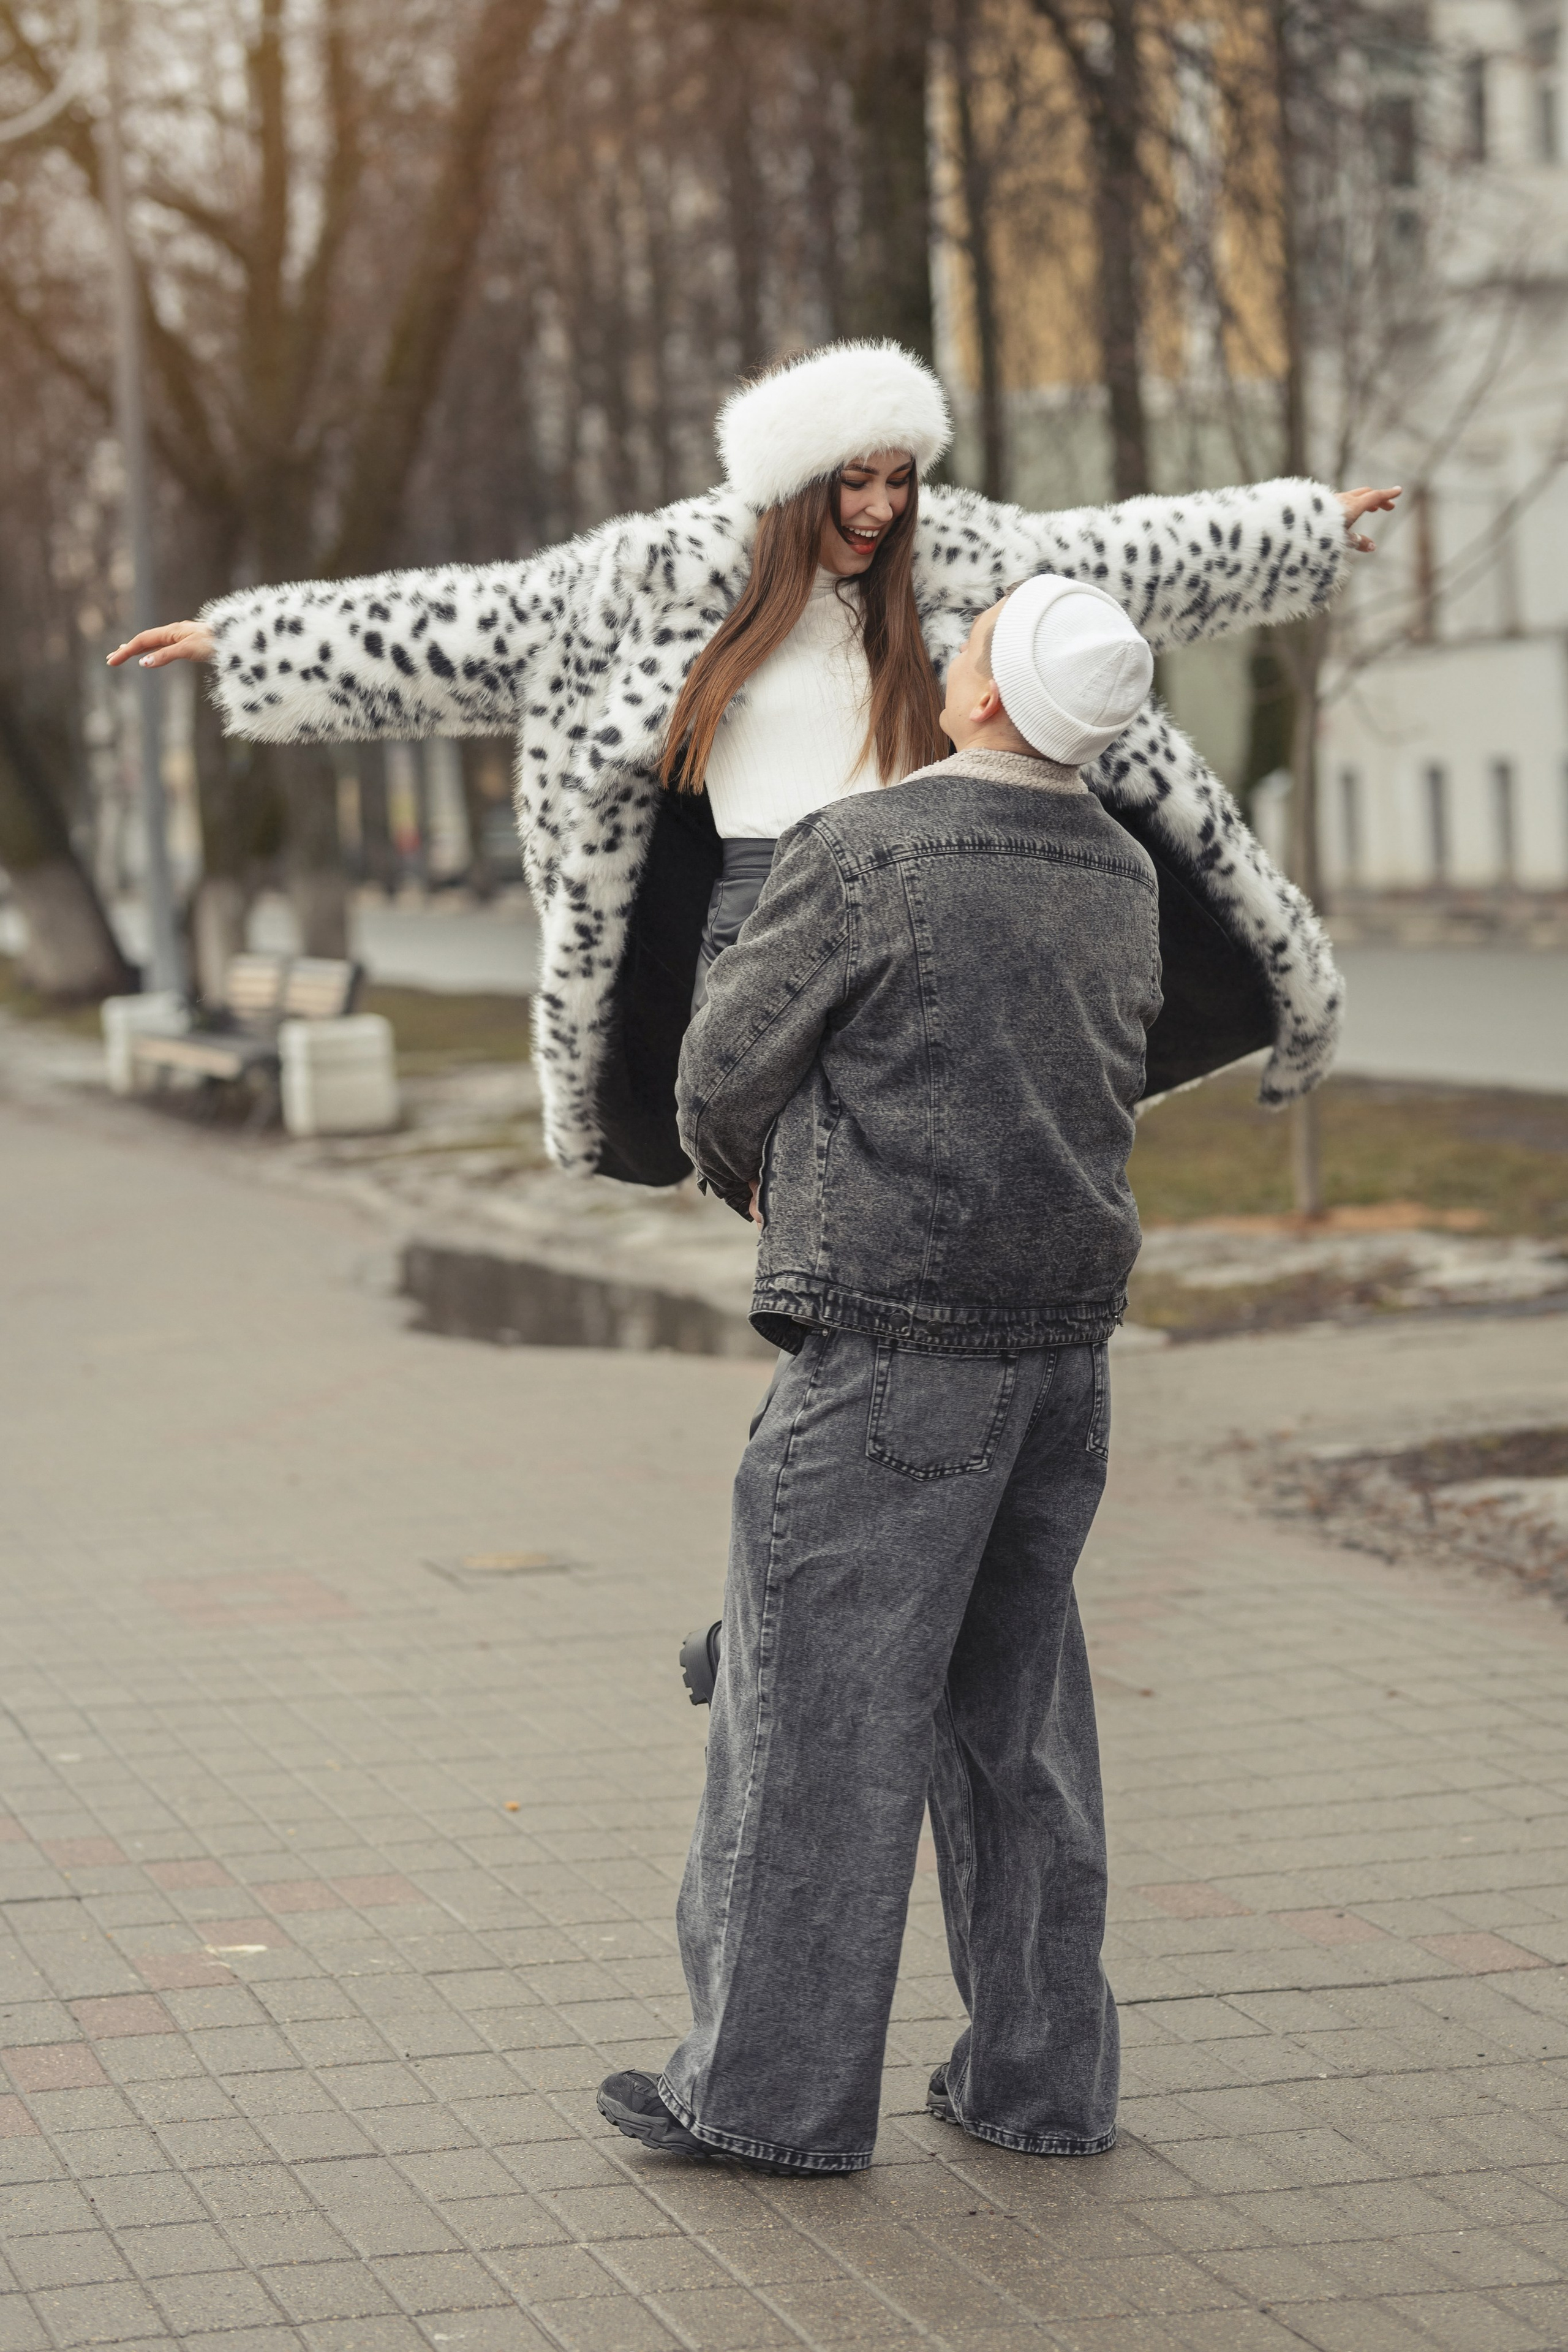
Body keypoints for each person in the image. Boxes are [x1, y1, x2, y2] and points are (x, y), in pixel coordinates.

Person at [109, 341, 1398, 1182]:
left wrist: (1300, 526)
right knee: (816, 1202)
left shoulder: (948, 559)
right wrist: (245, 638)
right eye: (854, 482)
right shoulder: (653, 580)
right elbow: (471, 624)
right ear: (789, 486)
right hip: (758, 921)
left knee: (926, 1189)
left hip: (929, 910)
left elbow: (1121, 560)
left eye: (898, 480)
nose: (881, 509)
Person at [596, 573, 1167, 2176]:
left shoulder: (870, 850)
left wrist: (753, 1176)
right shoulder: (1120, 872)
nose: (957, 649)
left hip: (895, 1349)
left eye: (977, 644)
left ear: (986, 697)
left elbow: (722, 1068)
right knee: (1019, 1721)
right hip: (1064, 1347)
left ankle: (763, 2102)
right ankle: (1042, 2084)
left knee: (813, 1723)